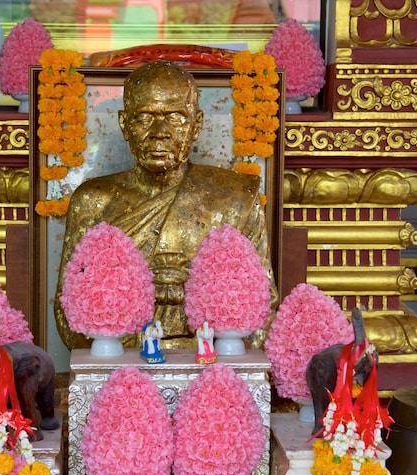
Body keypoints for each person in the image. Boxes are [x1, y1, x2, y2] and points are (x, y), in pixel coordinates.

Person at [54, 61, 277, 351]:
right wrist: (128, 316)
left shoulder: (234, 199)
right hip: (123, 371)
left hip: (210, 371)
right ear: (125, 124)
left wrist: (194, 299)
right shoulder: (93, 201)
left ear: (196, 125)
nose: (159, 131)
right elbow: (68, 312)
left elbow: (263, 310)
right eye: (144, 118)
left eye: (175, 118)